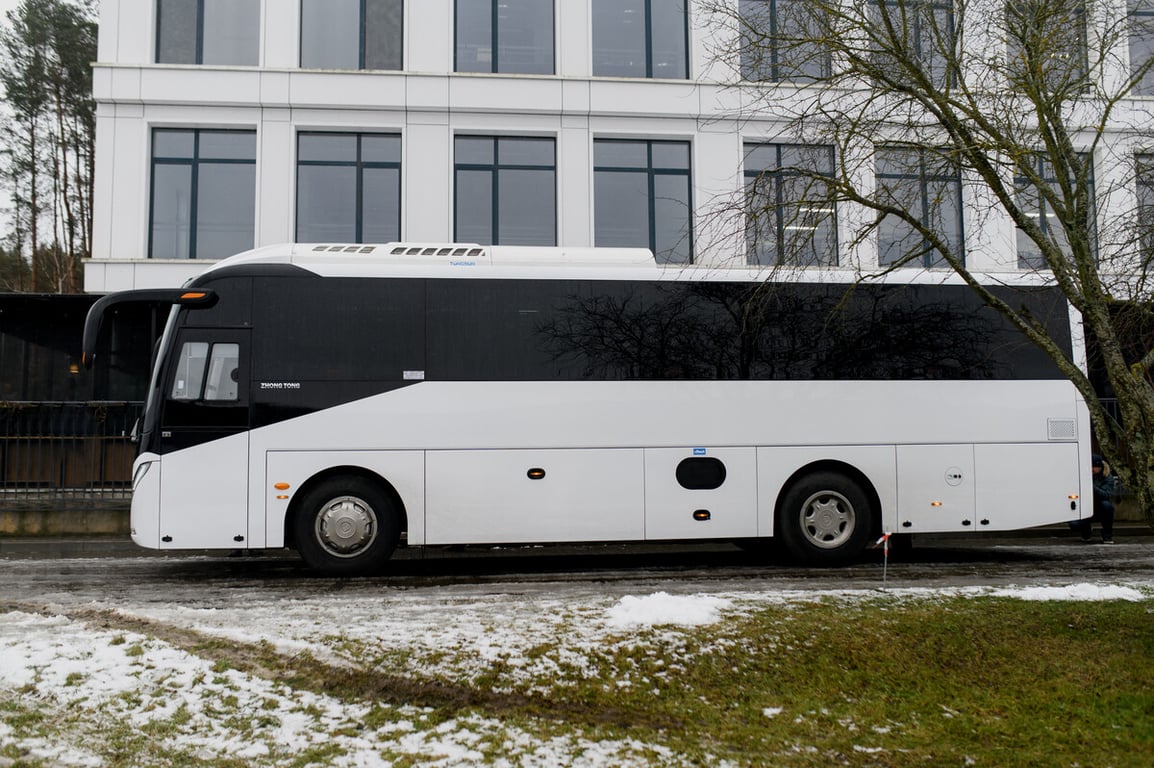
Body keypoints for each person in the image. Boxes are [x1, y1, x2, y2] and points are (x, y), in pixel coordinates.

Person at [1071, 455, 1116, 544]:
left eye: (1094, 467)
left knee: (1107, 506)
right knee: (1074, 524)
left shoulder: (1107, 477)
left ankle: (1107, 535)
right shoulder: (1084, 475)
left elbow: (1106, 494)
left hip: (1100, 507)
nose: (1092, 469)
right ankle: (1086, 532)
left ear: (1100, 467)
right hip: (1086, 505)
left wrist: (1092, 487)